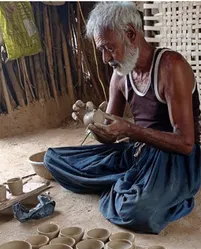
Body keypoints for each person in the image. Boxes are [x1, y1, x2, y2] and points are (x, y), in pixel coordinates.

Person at [44, 2, 201, 234]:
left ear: (130, 34)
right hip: (138, 150)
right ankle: (127, 181)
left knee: (135, 211)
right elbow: (109, 137)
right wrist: (92, 122)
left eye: (109, 47)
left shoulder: (171, 66)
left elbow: (186, 144)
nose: (106, 58)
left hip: (175, 158)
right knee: (53, 159)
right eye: (101, 50)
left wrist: (131, 130)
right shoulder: (120, 75)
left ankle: (129, 184)